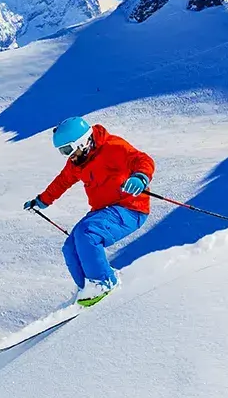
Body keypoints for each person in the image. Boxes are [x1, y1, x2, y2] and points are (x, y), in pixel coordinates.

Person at [24, 116, 155, 307]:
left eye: (67, 149)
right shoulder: (78, 162)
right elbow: (62, 181)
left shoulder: (112, 147)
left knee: (87, 233)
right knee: (70, 246)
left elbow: (142, 159)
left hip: (130, 208)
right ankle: (87, 288)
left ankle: (103, 282)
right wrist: (42, 201)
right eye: (62, 151)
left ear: (83, 141)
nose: (67, 155)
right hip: (103, 211)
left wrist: (140, 177)